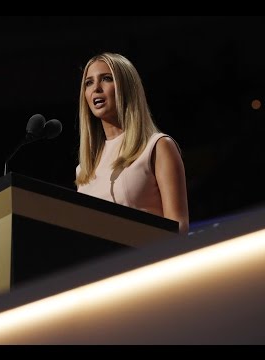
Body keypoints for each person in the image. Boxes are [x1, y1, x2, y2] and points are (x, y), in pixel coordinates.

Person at [75, 52, 189, 235]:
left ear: (127, 87)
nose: (96, 88)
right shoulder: (84, 169)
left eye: (106, 79)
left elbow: (178, 227)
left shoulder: (157, 147)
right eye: (88, 82)